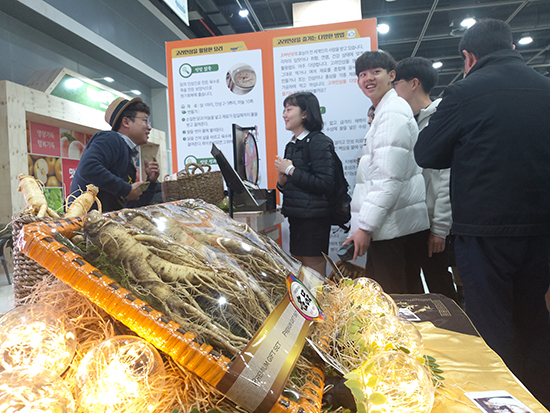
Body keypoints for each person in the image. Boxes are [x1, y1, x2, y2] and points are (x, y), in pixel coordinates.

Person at [414, 18, 550, 407]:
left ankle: (504, 400)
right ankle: (540, 395)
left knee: (490, 323)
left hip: (485, 227)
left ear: (468, 57)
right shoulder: (545, 88)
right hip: (541, 227)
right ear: (510, 46)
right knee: (534, 314)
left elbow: (427, 153)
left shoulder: (465, 92)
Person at [344, 50, 429, 293]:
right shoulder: (387, 110)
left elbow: (387, 179)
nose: (368, 78)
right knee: (405, 299)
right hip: (395, 225)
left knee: (392, 303)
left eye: (375, 72)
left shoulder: (391, 113)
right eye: (362, 74)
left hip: (391, 229)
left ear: (391, 75)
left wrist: (365, 227)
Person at [393, 56, 457, 301]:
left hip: (432, 224)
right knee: (412, 286)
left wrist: (440, 229)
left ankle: (456, 335)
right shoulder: (411, 120)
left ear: (414, 83)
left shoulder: (439, 119)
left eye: (396, 83)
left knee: (439, 283)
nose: (394, 90)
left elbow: (445, 178)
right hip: (413, 221)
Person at [275, 92, 335, 276]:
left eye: (289, 109)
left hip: (314, 220)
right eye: (284, 110)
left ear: (305, 114)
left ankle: (321, 305)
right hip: (297, 217)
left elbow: (325, 183)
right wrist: (281, 182)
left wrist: (291, 170)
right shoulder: (291, 145)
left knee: (314, 272)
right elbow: (294, 185)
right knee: (299, 268)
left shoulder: (319, 142)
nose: (284, 114)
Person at [69, 97, 160, 212]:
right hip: (84, 222)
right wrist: (126, 189)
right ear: (126, 122)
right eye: (145, 120)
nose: (149, 127)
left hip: (102, 222)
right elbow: (88, 167)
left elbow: (130, 206)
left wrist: (151, 182)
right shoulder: (111, 139)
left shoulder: (127, 153)